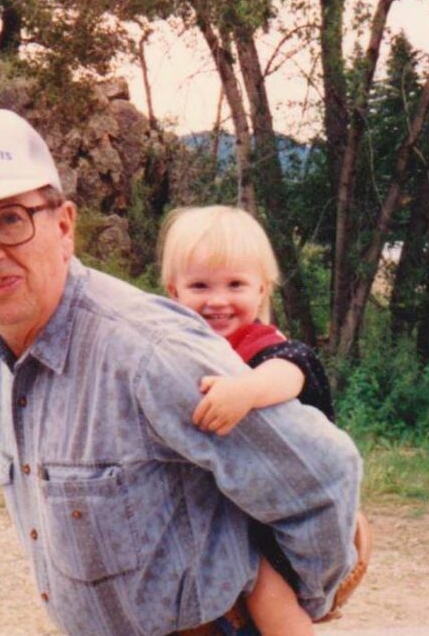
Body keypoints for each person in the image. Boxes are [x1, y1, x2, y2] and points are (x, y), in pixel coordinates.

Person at [0, 108, 366, 636]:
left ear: (63, 226)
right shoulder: (0, 350)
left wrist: (291, 607)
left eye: (11, 219)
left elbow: (322, 476)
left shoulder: (150, 354)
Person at [159, 206, 347, 635]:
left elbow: (292, 370)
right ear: (174, 292)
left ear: (262, 290)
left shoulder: (262, 345)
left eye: (236, 284)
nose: (218, 299)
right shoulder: (176, 348)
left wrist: (244, 390)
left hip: (278, 509)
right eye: (200, 285)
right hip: (224, 498)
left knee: (265, 588)